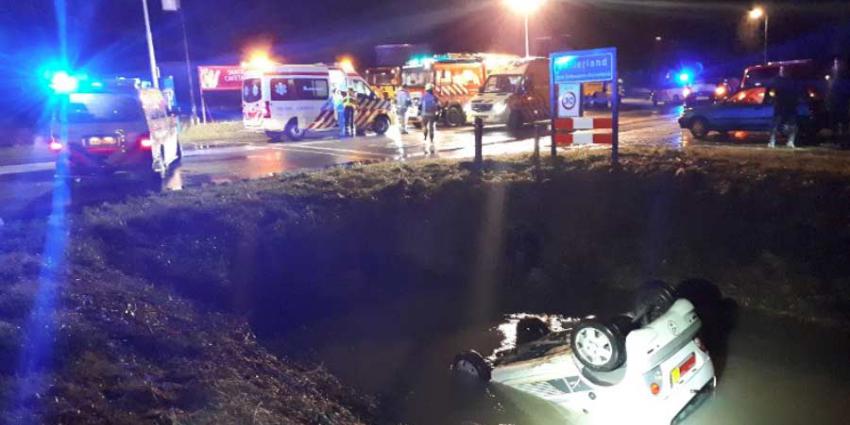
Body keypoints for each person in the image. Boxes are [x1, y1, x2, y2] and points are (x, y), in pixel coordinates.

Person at [768, 67, 800, 149]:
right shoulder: (776, 80)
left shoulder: (792, 81)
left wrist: (796, 101)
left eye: (784, 70)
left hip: (790, 105)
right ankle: (772, 141)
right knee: (775, 123)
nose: (782, 71)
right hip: (780, 104)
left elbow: (796, 92)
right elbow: (771, 91)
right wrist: (773, 97)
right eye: (781, 70)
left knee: (792, 124)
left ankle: (791, 141)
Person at [826, 57, 850, 141]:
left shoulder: (844, 77)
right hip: (836, 103)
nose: (836, 65)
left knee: (844, 122)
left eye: (837, 63)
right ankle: (838, 138)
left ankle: (843, 139)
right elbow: (830, 91)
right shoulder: (833, 77)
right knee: (836, 121)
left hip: (843, 104)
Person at [419, 84, 440, 150]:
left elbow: (420, 106)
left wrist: (419, 113)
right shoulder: (435, 97)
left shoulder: (423, 97)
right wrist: (438, 113)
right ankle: (431, 140)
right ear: (432, 89)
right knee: (431, 127)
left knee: (424, 126)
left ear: (426, 89)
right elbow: (438, 106)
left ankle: (425, 138)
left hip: (424, 114)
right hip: (432, 114)